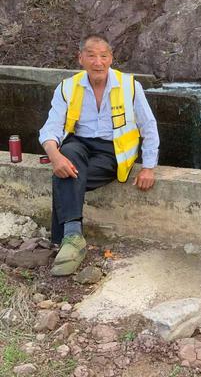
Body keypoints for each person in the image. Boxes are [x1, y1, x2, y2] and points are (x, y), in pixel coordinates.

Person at [39, 34, 160, 276]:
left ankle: (63, 238)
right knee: (67, 158)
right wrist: (55, 156)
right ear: (80, 58)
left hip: (112, 150)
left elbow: (149, 126)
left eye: (104, 56)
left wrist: (148, 167)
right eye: (92, 56)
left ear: (111, 58)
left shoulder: (130, 86)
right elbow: (51, 128)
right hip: (79, 144)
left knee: (65, 176)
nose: (98, 62)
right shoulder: (67, 87)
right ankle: (74, 237)